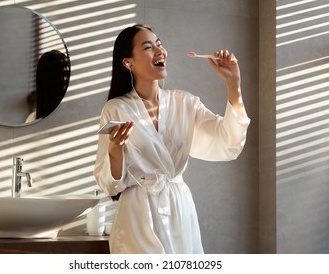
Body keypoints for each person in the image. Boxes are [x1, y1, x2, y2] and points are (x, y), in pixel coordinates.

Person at [93, 24, 250, 254]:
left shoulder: (185, 103)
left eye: (159, 44)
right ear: (129, 63)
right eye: (148, 47)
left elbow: (227, 141)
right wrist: (115, 151)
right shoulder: (116, 109)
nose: (160, 51)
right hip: (137, 215)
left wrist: (233, 83)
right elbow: (109, 184)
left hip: (179, 209)